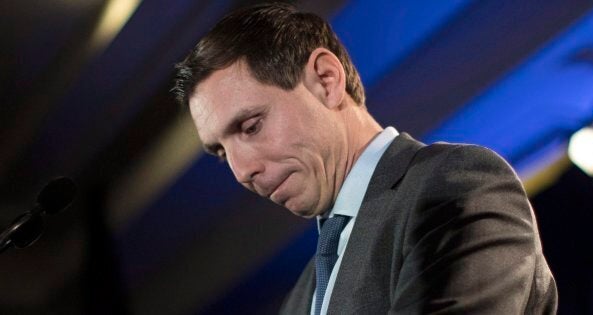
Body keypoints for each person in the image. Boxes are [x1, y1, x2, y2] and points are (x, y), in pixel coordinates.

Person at [172, 3, 558, 314]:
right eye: (222, 153)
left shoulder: (457, 184)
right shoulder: (299, 301)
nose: (242, 171)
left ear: (326, 80)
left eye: (251, 126)